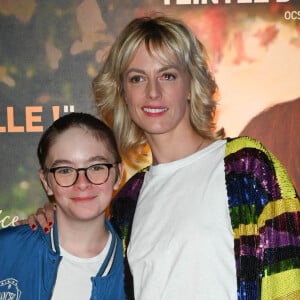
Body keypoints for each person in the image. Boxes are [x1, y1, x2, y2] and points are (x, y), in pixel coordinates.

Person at [24, 16, 300, 300]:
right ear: (123, 92)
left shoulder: (247, 167)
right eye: (137, 78)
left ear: (191, 84)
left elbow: (290, 277)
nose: (153, 92)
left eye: (167, 75)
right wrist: (56, 223)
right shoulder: (125, 205)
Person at [0, 112, 125, 299]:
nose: (82, 183)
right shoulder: (6, 250)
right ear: (46, 182)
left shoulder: (136, 268)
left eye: (96, 167)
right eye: (65, 170)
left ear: (118, 174)